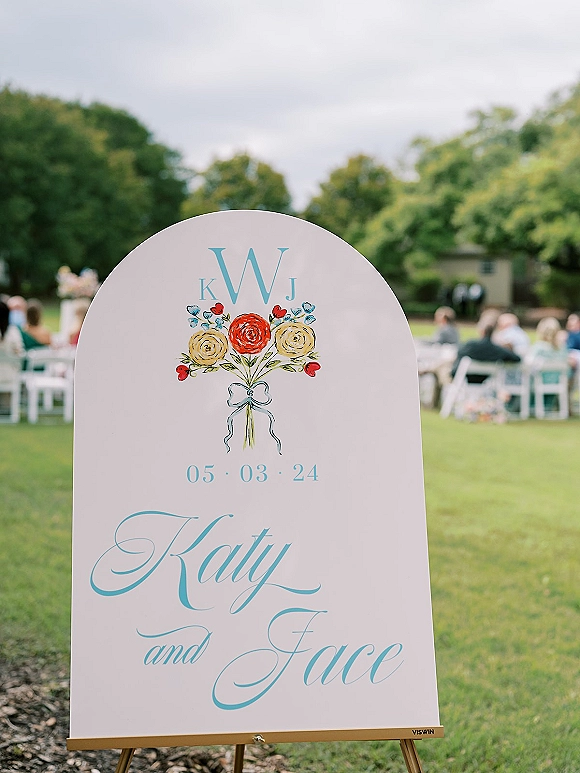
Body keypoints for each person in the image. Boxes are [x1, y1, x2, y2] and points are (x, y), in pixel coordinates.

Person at [451, 309, 520, 382]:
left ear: (481, 330)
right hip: (486, 380)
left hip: (465, 379)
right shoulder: (497, 349)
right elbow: (516, 358)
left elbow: (458, 354)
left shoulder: (470, 346)